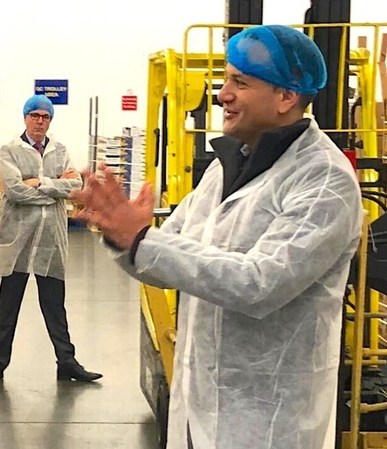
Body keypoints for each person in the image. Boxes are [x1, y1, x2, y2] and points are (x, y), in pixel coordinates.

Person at [72, 25, 363, 449]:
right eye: (226, 80)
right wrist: (124, 237)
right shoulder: (223, 168)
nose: (223, 95)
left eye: (239, 83)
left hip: (268, 421)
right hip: (198, 406)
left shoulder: (324, 181)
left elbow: (259, 283)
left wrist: (142, 239)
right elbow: (163, 260)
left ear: (286, 97)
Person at [0, 94, 102, 386]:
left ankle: (67, 362)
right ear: (25, 118)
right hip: (18, 238)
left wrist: (40, 182)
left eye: (45, 117)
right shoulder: (10, 150)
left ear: (50, 121)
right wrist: (54, 190)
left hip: (50, 239)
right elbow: (15, 191)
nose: (40, 122)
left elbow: (74, 186)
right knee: (8, 305)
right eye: (35, 116)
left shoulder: (60, 150)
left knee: (55, 306)